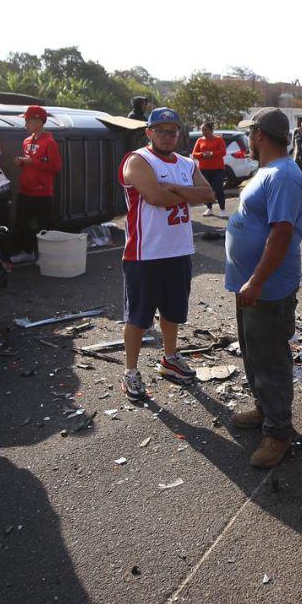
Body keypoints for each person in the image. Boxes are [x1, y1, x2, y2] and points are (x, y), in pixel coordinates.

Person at [225, 107, 302, 468]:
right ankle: (264, 409)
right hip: (252, 287)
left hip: (268, 288)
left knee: (271, 360)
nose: (248, 138)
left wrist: (257, 280)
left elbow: (281, 233)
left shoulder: (285, 175)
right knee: (254, 354)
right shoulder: (268, 171)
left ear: (259, 134)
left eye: (250, 132)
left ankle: (278, 433)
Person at [118, 107, 216, 402]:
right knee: (137, 317)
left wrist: (173, 186)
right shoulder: (137, 160)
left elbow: (209, 194)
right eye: (160, 130)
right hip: (144, 253)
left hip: (178, 250)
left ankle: (169, 359)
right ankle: (131, 371)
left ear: (178, 134)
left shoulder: (186, 163)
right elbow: (155, 197)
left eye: (172, 131)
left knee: (173, 312)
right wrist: (188, 192)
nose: (166, 135)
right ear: (148, 132)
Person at [10, 105, 62, 264]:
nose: (25, 124)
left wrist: (34, 162)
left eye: (28, 120)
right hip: (25, 190)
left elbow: (56, 166)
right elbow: (30, 162)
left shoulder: (50, 142)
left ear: (38, 121)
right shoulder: (26, 141)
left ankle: (50, 255)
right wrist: (21, 162)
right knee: (22, 223)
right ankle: (27, 251)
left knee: (45, 224)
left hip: (43, 192)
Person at [191, 119, 228, 215]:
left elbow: (223, 152)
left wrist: (211, 153)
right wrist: (203, 154)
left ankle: (222, 209)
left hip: (218, 169)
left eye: (205, 129)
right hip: (204, 169)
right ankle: (209, 208)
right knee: (207, 189)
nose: (203, 132)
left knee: (218, 188)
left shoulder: (218, 139)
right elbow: (194, 154)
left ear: (210, 130)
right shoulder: (200, 140)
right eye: (202, 130)